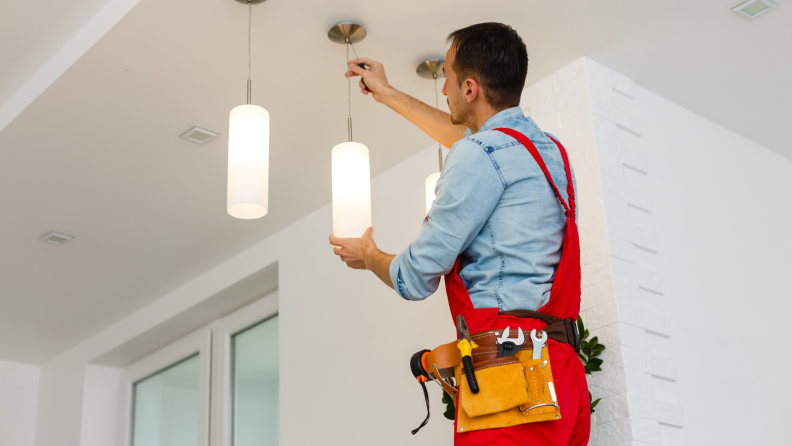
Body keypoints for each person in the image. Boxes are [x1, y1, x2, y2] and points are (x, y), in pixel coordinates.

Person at [329, 22, 590, 445]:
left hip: (511, 380)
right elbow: (477, 142)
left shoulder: (480, 156)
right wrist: (389, 92)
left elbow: (413, 279)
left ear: (469, 89)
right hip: (563, 377)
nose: (444, 88)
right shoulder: (548, 150)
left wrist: (370, 255)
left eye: (447, 78)